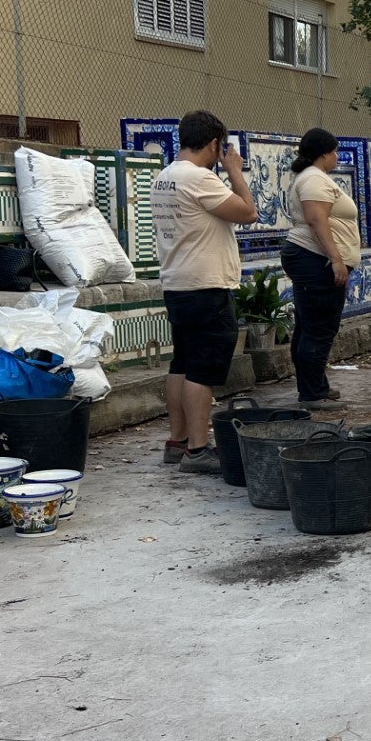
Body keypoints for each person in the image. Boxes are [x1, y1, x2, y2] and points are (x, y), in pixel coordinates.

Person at [150, 109, 257, 473]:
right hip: (206, 286)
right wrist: (235, 173)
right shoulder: (199, 179)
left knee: (182, 363)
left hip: (177, 283)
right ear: (214, 144)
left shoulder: (164, 177)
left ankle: (176, 441)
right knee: (202, 370)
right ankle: (198, 450)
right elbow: (247, 213)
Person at [280, 127, 360, 408]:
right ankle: (312, 394)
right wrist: (336, 259)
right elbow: (317, 221)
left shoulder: (313, 178)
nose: (337, 156)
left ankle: (315, 387)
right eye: (335, 151)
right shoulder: (314, 179)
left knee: (310, 325)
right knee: (319, 328)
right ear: (324, 153)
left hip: (312, 257)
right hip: (314, 258)